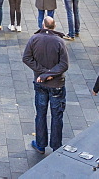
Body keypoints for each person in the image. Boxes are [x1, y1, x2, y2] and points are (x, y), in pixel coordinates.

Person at [22, 17, 69, 155]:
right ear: (54, 26)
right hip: (57, 85)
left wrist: (41, 73)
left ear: (43, 25)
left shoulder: (34, 39)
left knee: (41, 114)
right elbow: (64, 64)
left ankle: (41, 144)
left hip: (40, 84)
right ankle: (56, 145)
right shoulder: (60, 42)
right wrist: (50, 74)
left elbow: (26, 58)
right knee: (57, 115)